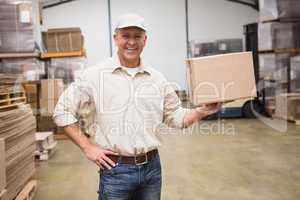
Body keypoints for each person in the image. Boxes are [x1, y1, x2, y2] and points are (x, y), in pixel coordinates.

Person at [53, 13, 220, 200]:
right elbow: (62, 111)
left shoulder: (157, 79)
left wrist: (202, 110)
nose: (131, 42)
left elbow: (176, 117)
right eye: (126, 36)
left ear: (145, 40)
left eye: (137, 36)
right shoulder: (94, 76)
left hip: (152, 170)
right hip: (115, 170)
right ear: (115, 38)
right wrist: (88, 148)